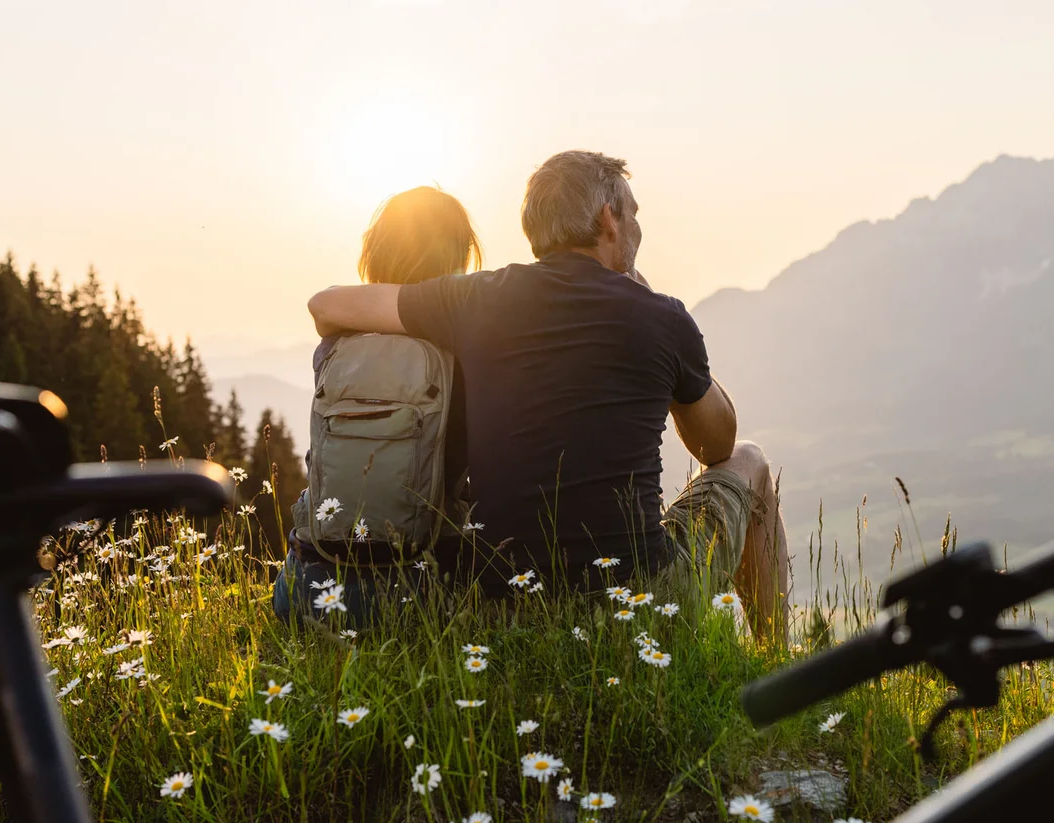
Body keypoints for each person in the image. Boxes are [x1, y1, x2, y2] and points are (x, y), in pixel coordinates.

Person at [307, 151, 790, 641]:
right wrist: (664, 339)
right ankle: (776, 656)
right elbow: (717, 446)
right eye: (634, 214)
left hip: (506, 606)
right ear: (609, 219)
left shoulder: (476, 299)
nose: (638, 229)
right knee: (750, 460)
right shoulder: (662, 317)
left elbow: (325, 306)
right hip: (641, 599)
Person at [271, 185, 481, 626]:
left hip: (307, 590)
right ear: (458, 256)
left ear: (376, 251)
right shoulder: (463, 352)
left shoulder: (336, 342)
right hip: (421, 592)